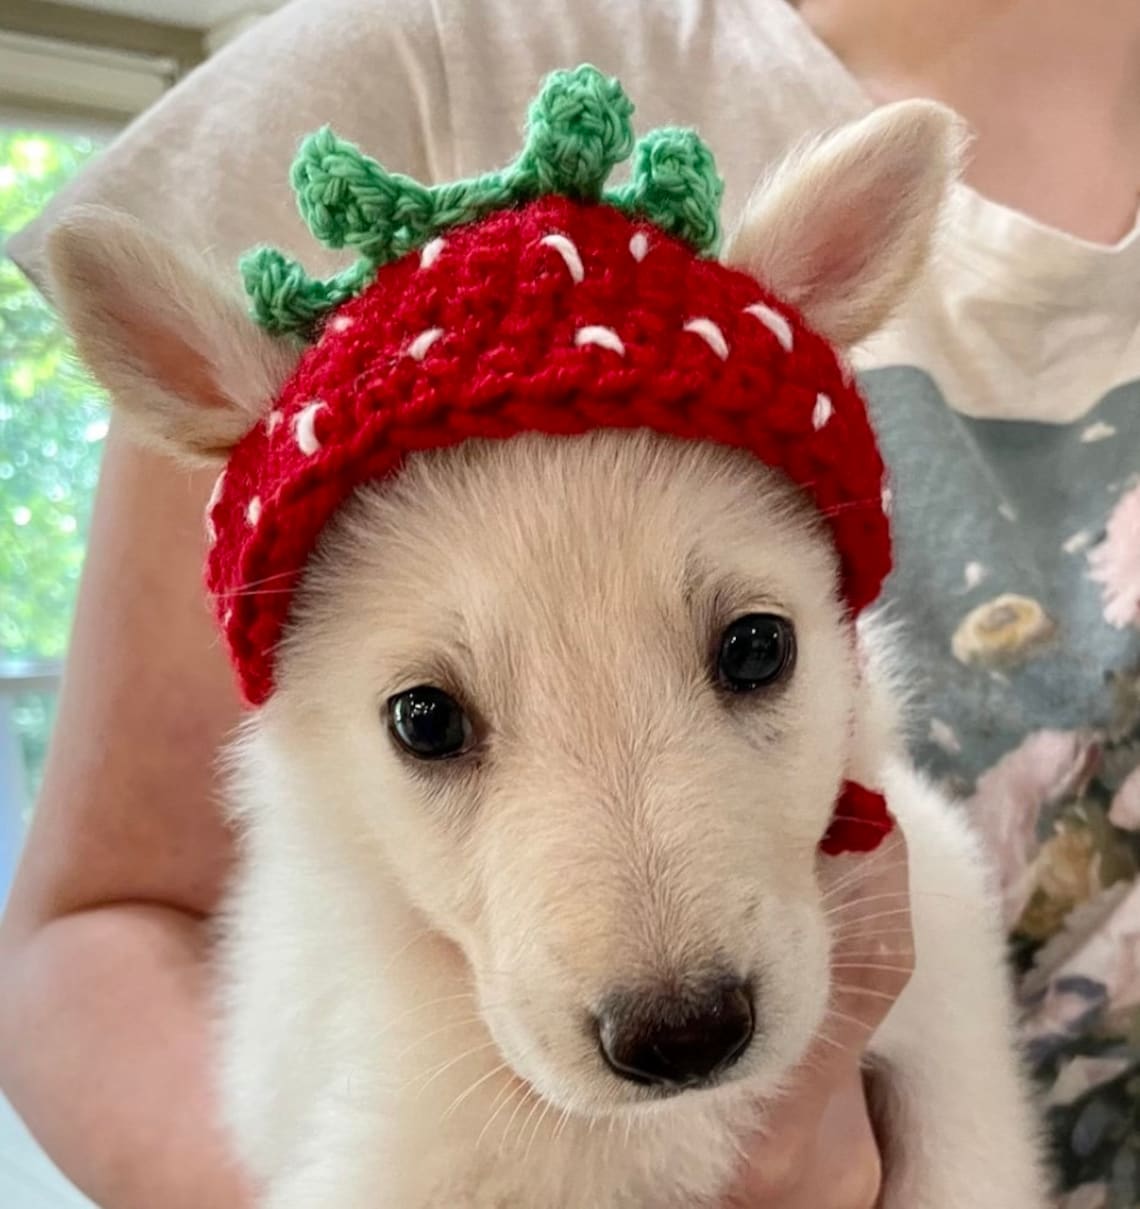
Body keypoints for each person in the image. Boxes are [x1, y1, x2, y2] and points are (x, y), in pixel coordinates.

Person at [1, 1, 1137, 1207]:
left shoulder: (915, 872)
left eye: (752, 653)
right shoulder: (414, 54)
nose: (669, 963)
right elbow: (100, 921)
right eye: (431, 722)